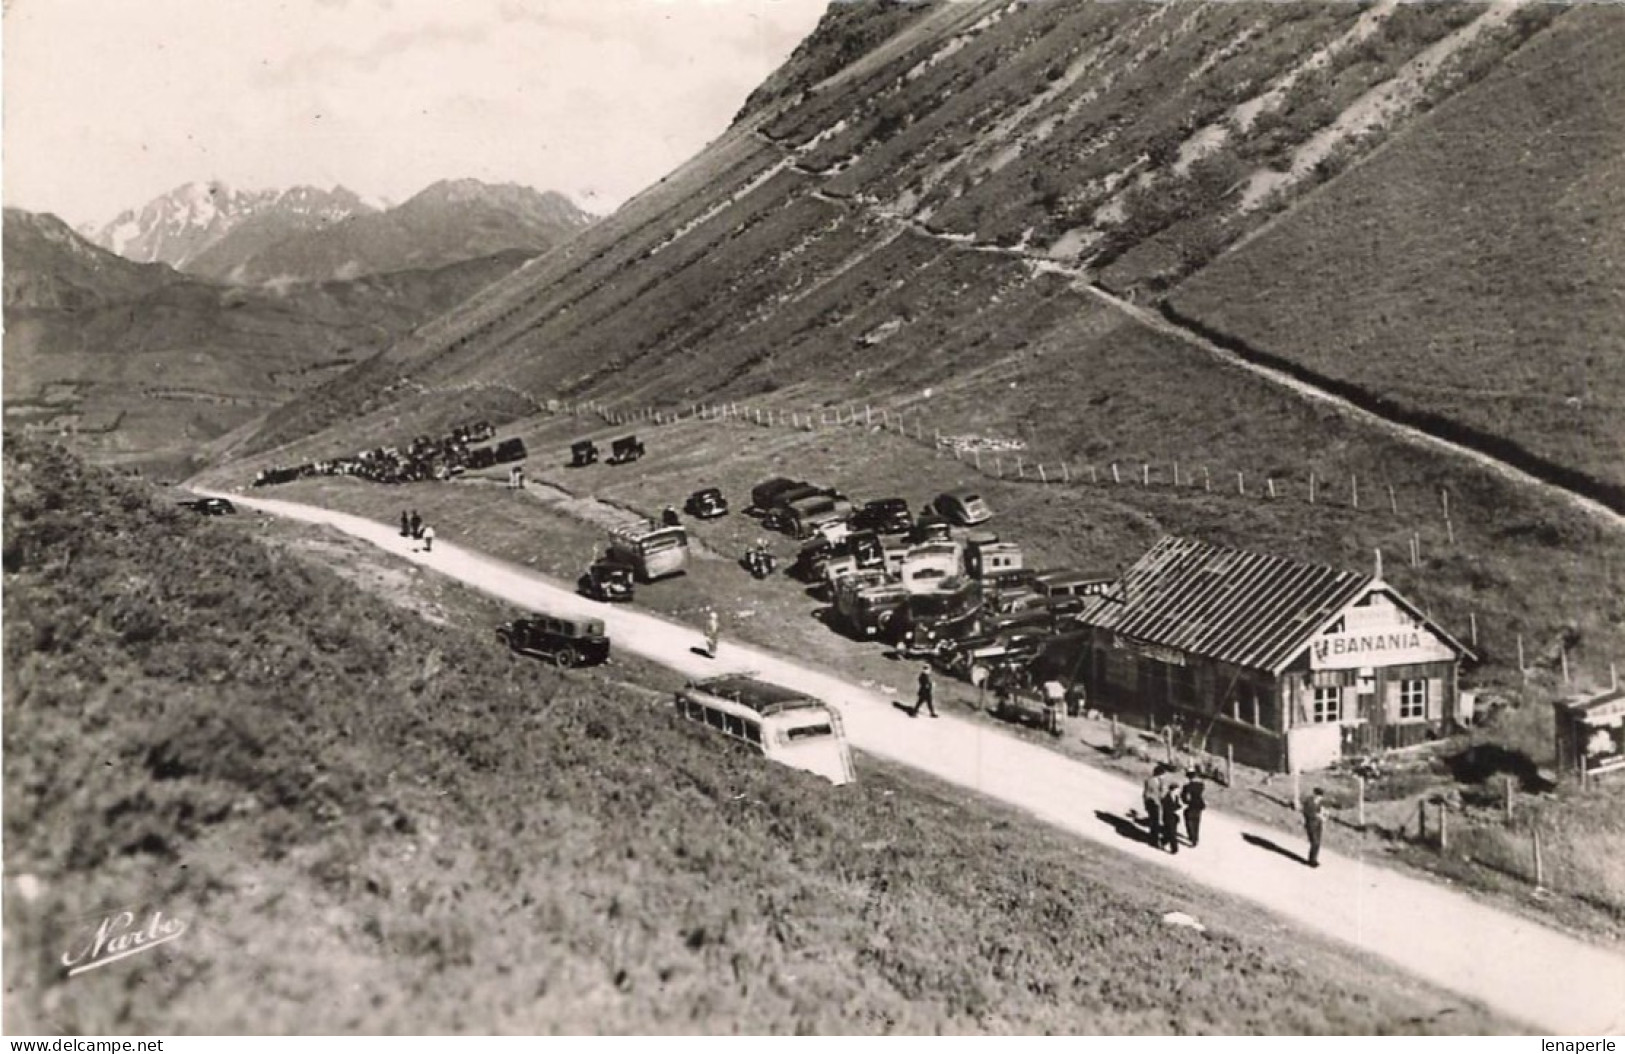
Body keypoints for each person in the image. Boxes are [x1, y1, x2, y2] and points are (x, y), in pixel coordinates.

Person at [1181, 769, 1208, 848]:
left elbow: (1184, 797)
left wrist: (1186, 802)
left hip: (1191, 805)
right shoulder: (1201, 785)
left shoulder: (1187, 786)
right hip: (1199, 805)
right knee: (1197, 822)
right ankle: (1195, 838)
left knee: (1189, 821)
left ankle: (1192, 837)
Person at [1303, 787, 1326, 868]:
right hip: (1311, 824)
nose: (1320, 798)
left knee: (1317, 843)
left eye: (1321, 796)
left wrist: (1323, 815)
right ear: (1315, 794)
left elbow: (1322, 812)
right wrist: (1318, 816)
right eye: (1318, 795)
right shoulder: (1309, 801)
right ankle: (1312, 860)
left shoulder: (1320, 803)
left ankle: (1314, 859)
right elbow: (1307, 812)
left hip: (1318, 824)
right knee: (1314, 842)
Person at [1161, 781, 1185, 854]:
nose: (1179, 791)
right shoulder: (1166, 798)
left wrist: (1181, 806)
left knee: (1169, 832)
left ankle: (1163, 841)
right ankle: (1174, 849)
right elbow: (1167, 809)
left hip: (1174, 818)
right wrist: (1176, 809)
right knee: (1172, 833)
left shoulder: (1176, 797)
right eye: (1178, 790)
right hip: (1168, 817)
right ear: (1173, 790)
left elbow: (1178, 805)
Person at [1142, 765, 1166, 839]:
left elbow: (1161, 792)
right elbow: (1146, 793)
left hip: (1157, 802)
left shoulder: (1160, 781)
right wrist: (1146, 803)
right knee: (1155, 820)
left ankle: (1153, 835)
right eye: (1163, 775)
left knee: (1155, 820)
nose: (1163, 777)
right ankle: (1154, 837)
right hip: (1152, 802)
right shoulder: (1150, 781)